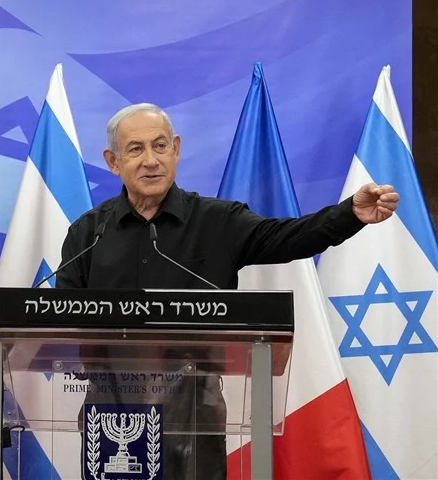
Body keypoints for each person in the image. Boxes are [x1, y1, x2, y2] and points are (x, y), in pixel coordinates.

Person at [57, 103, 399, 479]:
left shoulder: (218, 221)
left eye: (160, 145)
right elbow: (59, 321)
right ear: (113, 161)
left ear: (176, 149)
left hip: (194, 411)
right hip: (113, 407)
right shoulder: (88, 234)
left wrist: (350, 214)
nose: (151, 160)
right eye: (136, 149)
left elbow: (290, 237)